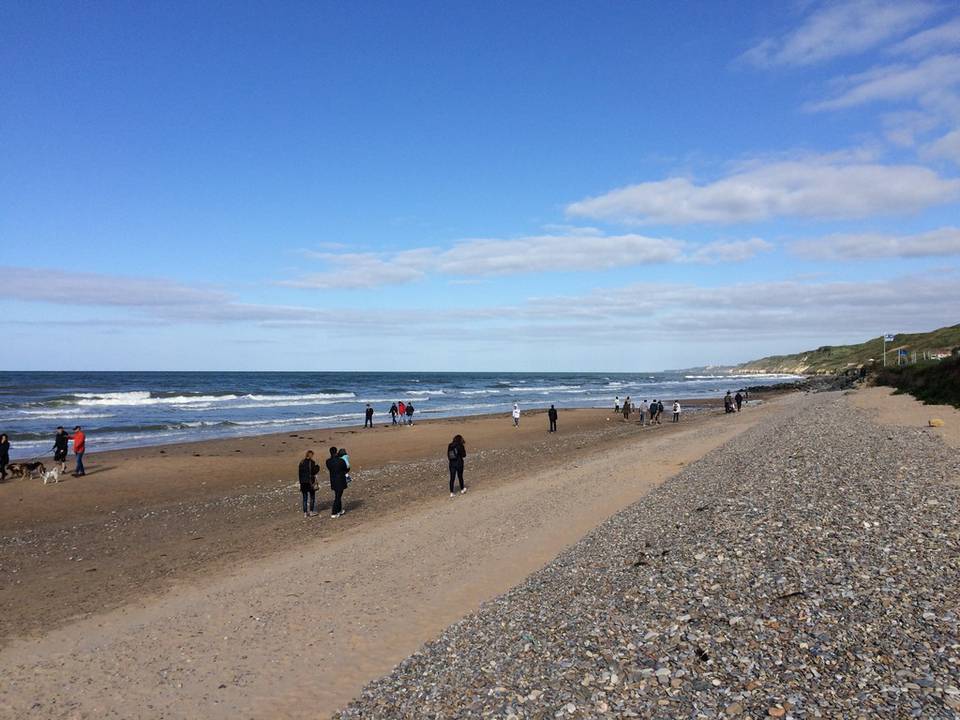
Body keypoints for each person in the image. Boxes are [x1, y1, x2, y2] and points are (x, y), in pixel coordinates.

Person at [325, 446, 348, 518]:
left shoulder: (328, 461)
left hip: (333, 480)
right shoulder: (340, 461)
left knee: (338, 495)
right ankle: (334, 512)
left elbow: (331, 468)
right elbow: (346, 468)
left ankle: (339, 510)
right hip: (340, 480)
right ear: (336, 452)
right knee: (338, 497)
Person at [298, 450, 320, 517]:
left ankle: (305, 513)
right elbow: (314, 472)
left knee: (305, 498)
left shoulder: (301, 462)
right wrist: (318, 467)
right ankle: (311, 511)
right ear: (311, 455)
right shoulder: (312, 462)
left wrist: (300, 482)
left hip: (303, 482)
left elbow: (299, 474)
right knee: (312, 497)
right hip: (310, 482)